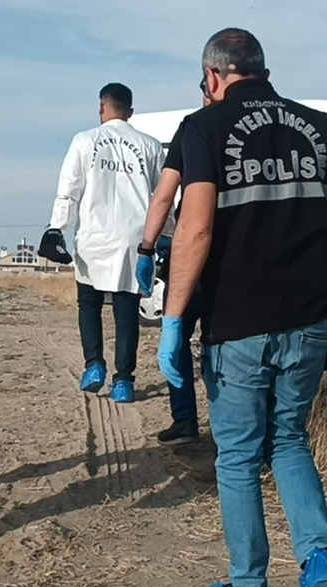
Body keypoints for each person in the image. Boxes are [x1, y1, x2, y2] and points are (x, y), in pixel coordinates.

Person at [158, 28, 327, 587]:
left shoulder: (202, 129)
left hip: (239, 324)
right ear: (260, 68)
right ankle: (319, 561)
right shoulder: (316, 124)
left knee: (236, 457)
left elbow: (196, 231)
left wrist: (174, 320)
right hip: (312, 320)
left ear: (213, 77)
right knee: (288, 440)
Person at [48, 83, 165, 403]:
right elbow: (162, 197)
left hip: (93, 239)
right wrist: (163, 236)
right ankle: (124, 381)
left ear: (102, 108)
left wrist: (56, 228)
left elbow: (68, 190)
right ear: (130, 111)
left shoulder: (85, 141)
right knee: (127, 311)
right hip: (133, 241)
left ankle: (94, 365)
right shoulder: (150, 146)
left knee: (89, 304)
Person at [135, 83, 215, 445]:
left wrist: (146, 248)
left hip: (189, 259)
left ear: (210, 85)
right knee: (220, 346)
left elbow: (164, 195)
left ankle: (185, 421)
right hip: (231, 263)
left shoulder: (194, 127)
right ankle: (228, 424)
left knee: (178, 338)